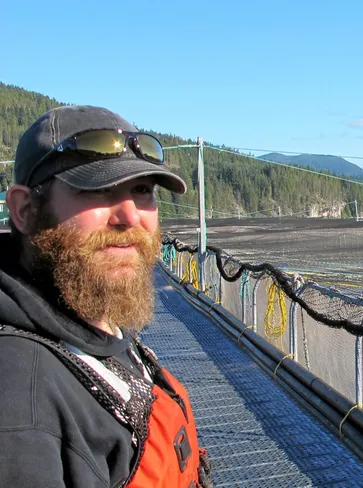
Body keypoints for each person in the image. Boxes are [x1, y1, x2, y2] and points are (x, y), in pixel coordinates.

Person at [0, 105, 211, 487]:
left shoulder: (85, 313)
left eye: (142, 191)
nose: (129, 216)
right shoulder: (19, 403)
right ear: (25, 210)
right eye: (96, 189)